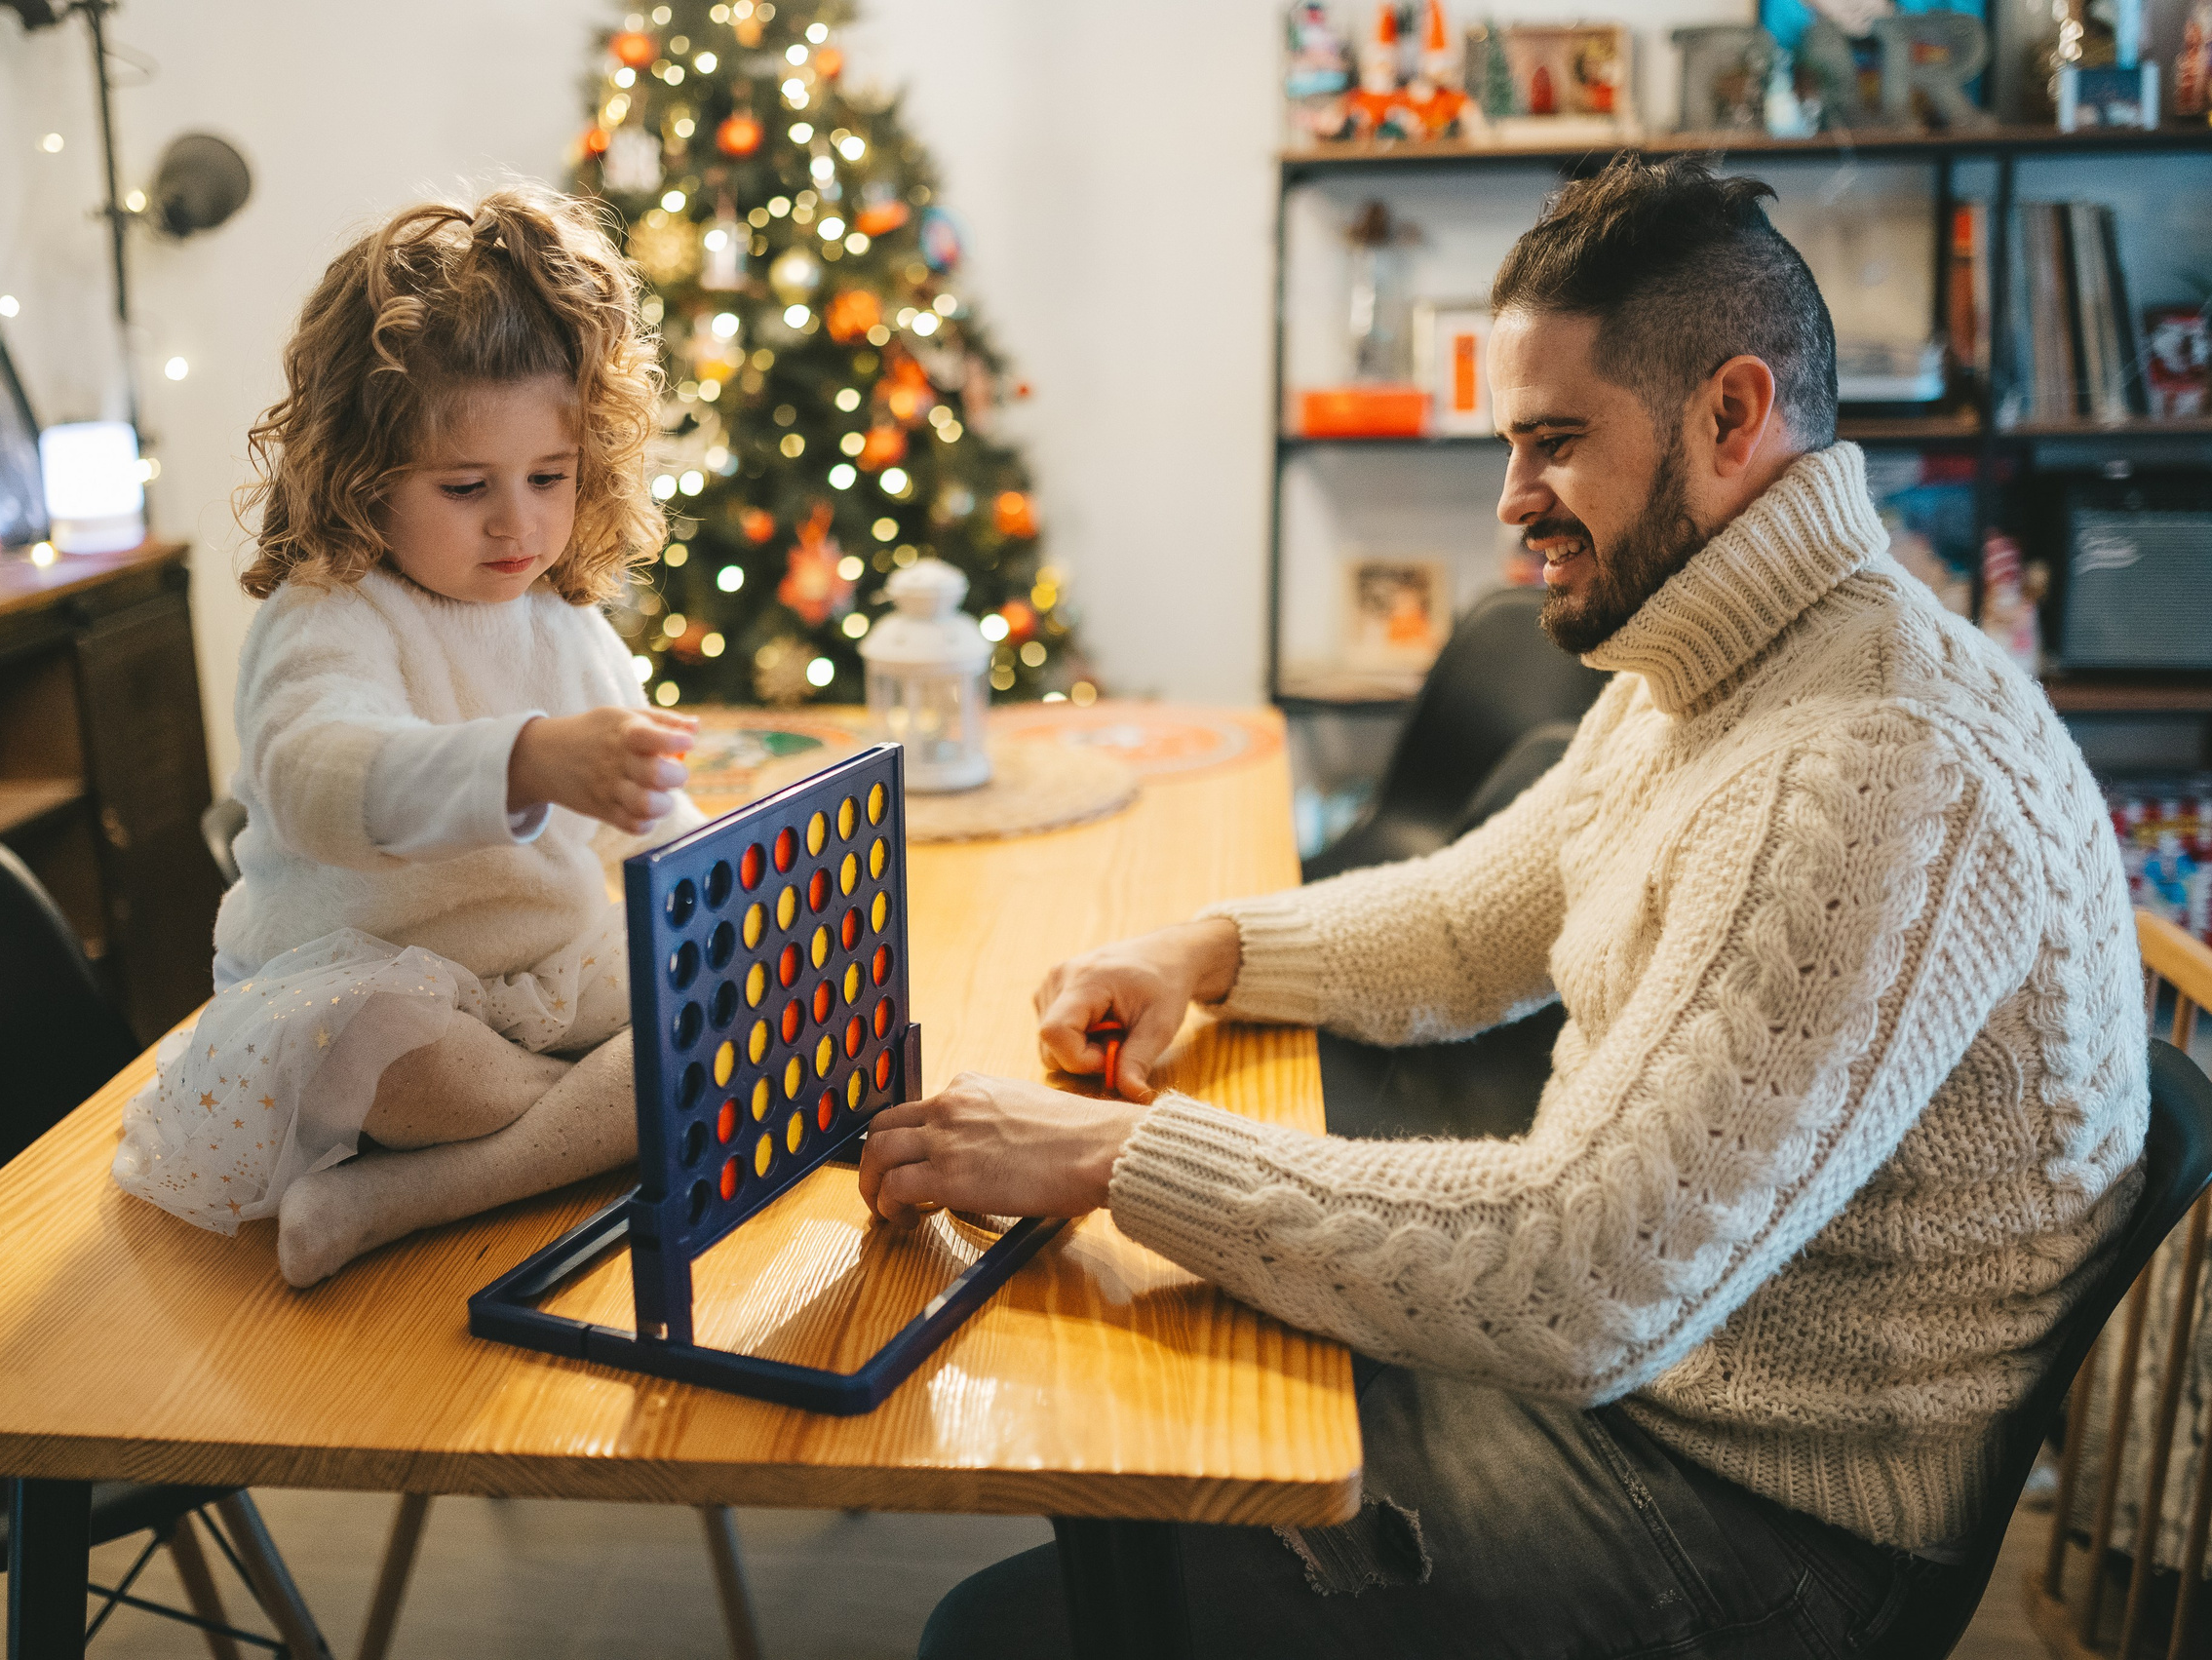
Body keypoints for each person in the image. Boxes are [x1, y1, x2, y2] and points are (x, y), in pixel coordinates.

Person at [881, 154, 2150, 1657]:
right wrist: (1211, 948)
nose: (1513, 503)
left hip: (1754, 1526)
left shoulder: (1878, 764)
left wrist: (1113, 1151)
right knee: (1123, 1405)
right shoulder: (1710, 653)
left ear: (1732, 416)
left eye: (1556, 442)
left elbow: (1583, 1271)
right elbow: (1481, 917)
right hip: (1644, 1385)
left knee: (1020, 1610)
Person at [113, 184, 696, 1289]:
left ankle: (422, 1191)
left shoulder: (563, 617)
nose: (517, 523)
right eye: (467, 485)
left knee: (721, 999)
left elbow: (647, 822)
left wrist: (715, 883)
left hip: (553, 976)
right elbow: (315, 773)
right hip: (377, 993)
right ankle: (593, 1126)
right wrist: (522, 758)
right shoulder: (328, 611)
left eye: (550, 478)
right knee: (374, 1047)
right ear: (362, 472)